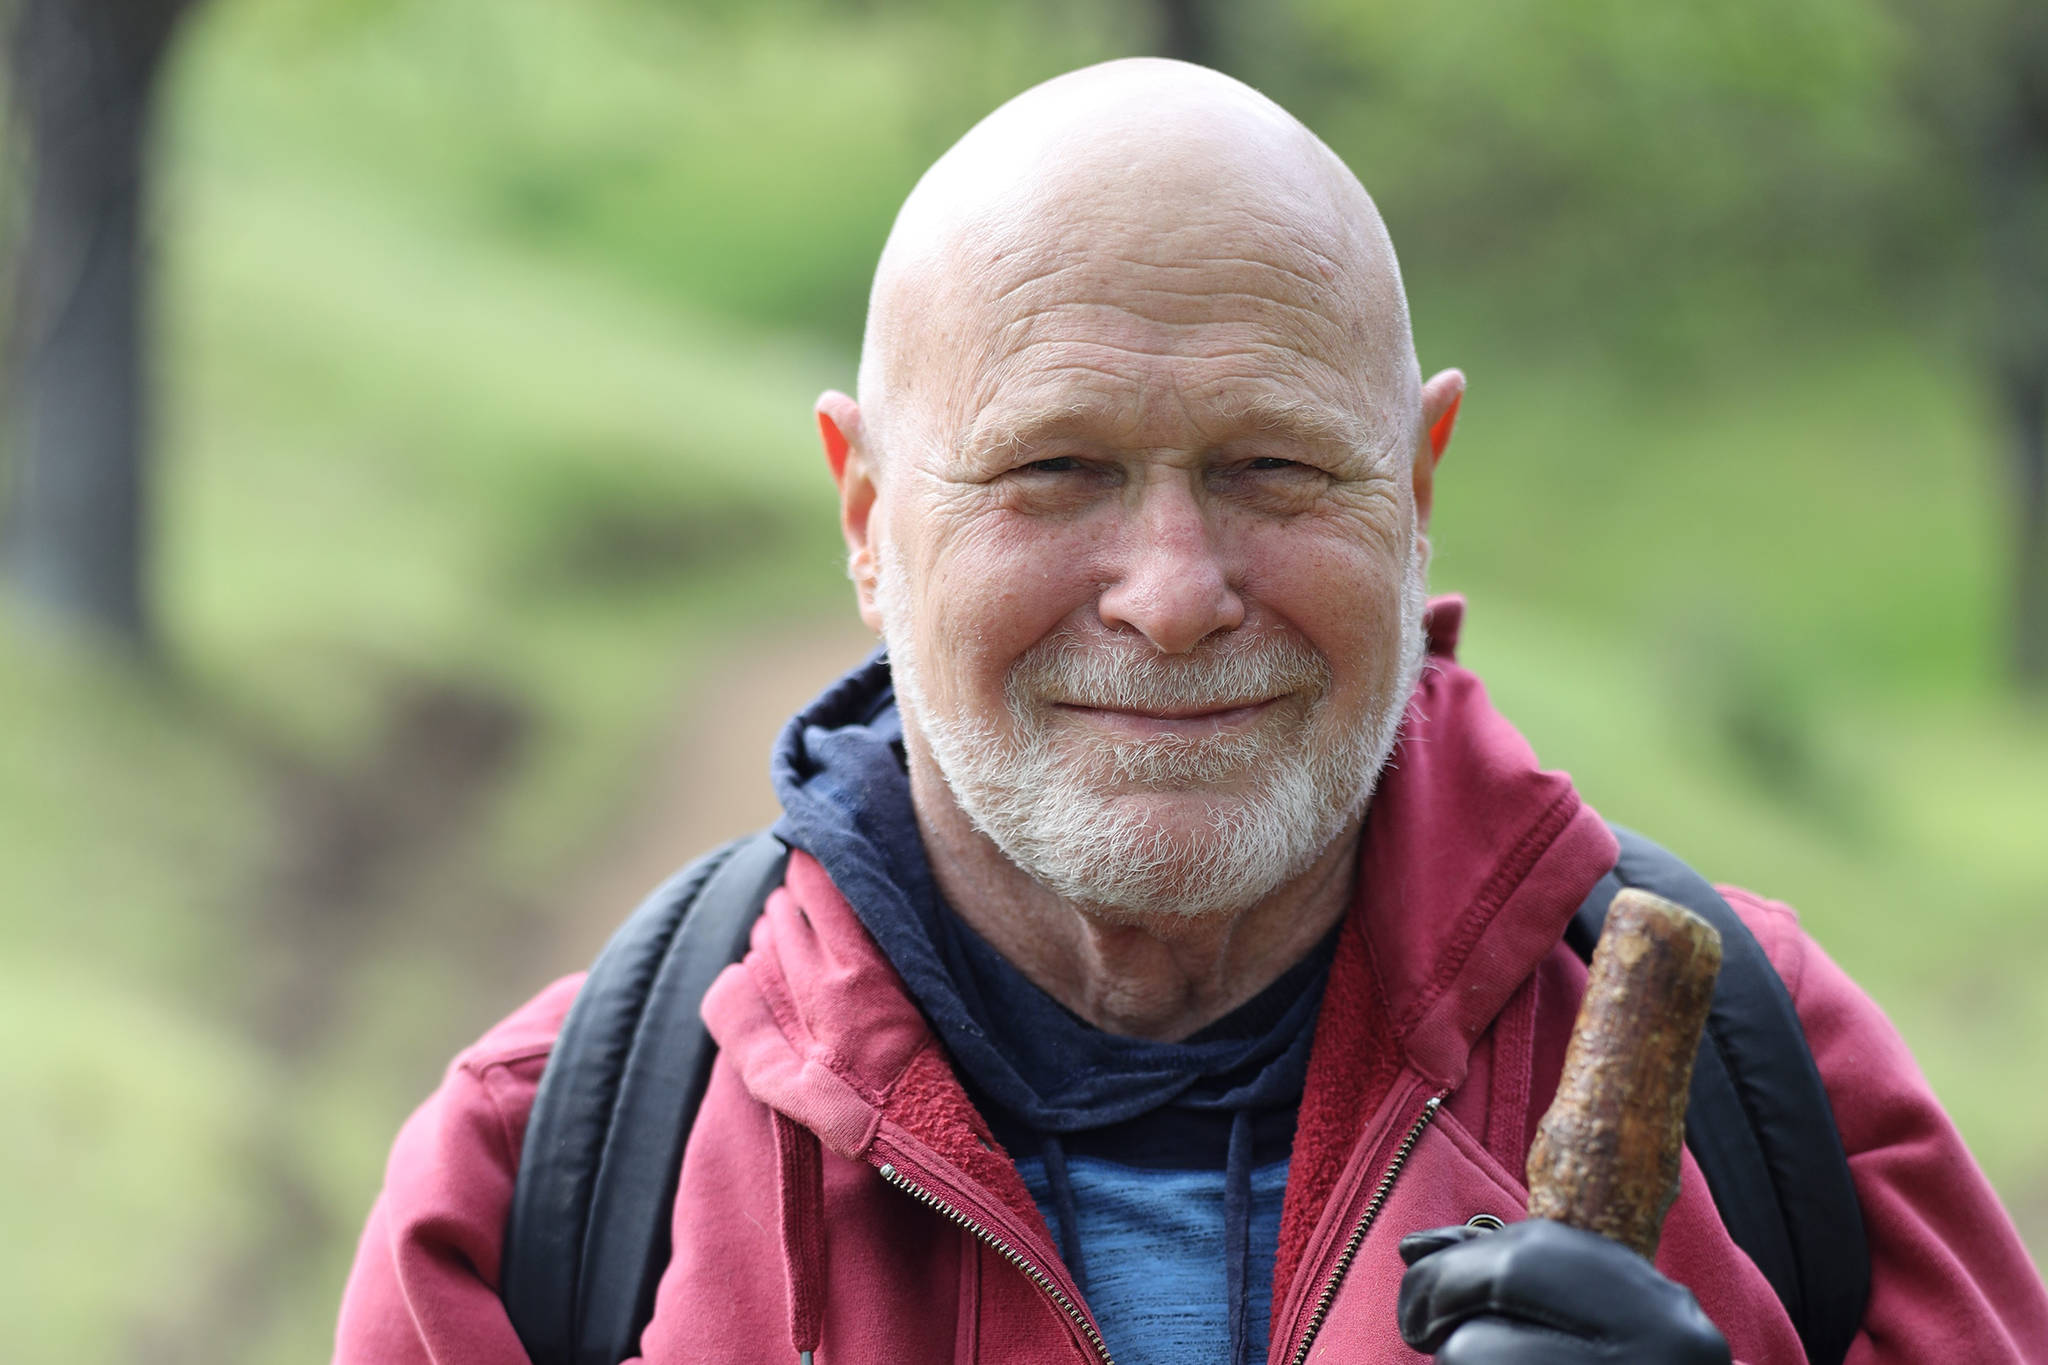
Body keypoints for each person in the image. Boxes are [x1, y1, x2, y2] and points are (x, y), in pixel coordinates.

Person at [333, 58, 2048, 1365]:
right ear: (866, 517)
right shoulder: (544, 1172)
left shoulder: (1757, 1077)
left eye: (1276, 467)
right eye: (1057, 470)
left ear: (1420, 486)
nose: (1171, 590)